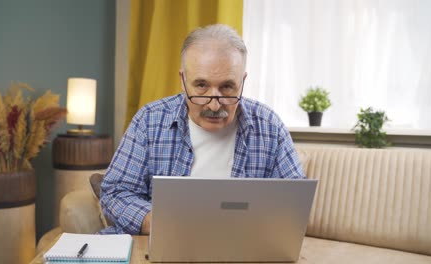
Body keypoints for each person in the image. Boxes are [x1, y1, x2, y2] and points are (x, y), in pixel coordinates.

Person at [99, 24, 305, 235]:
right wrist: (156, 223)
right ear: (183, 81)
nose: (214, 105)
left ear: (242, 82)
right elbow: (115, 191)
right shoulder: (149, 121)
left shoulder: (270, 127)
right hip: (166, 242)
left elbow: (295, 204)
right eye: (201, 86)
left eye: (227, 87)